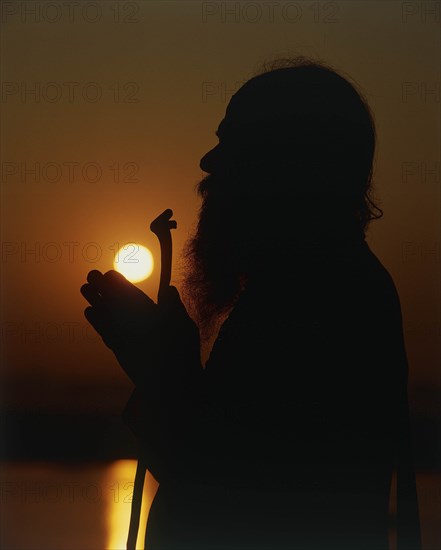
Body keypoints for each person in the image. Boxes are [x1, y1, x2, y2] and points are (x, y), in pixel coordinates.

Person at [80, 57, 420, 550]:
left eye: (229, 143)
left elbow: (234, 494)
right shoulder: (320, 285)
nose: (208, 163)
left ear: (286, 164)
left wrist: (165, 368)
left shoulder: (322, 297)